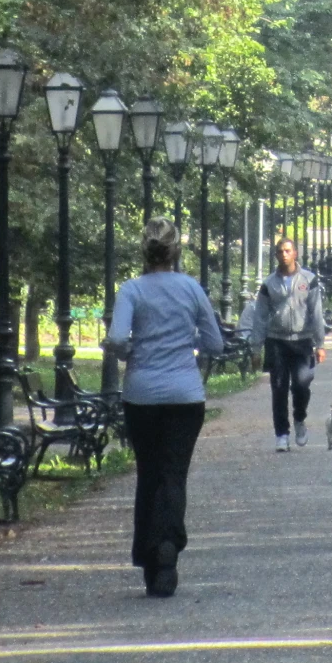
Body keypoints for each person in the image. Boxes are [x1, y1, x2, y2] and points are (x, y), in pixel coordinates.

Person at [106, 216, 223, 597]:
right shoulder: (191, 289)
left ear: (145, 251)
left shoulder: (131, 291)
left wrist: (130, 352)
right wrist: (191, 354)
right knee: (173, 474)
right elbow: (215, 343)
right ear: (176, 252)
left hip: (141, 396)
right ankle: (168, 548)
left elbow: (118, 339)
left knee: (149, 473)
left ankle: (149, 557)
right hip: (186, 397)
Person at [253, 236, 328, 452]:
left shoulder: (309, 279)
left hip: (302, 340)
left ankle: (299, 419)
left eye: (287, 250)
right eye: (280, 251)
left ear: (295, 253)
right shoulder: (269, 284)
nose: (284, 254)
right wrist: (256, 348)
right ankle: (282, 434)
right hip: (276, 341)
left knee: (302, 384)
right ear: (276, 255)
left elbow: (316, 312)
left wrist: (320, 344)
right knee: (278, 388)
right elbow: (259, 316)